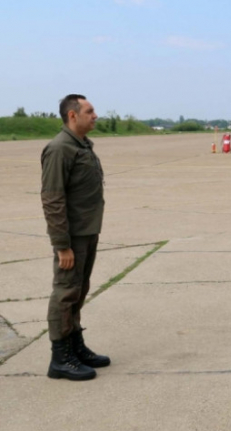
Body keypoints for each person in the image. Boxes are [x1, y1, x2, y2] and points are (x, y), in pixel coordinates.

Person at [41, 94, 110, 381]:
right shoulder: (60, 149)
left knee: (78, 291)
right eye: (89, 111)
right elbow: (52, 199)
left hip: (87, 231)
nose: (95, 115)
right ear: (73, 115)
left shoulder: (81, 145)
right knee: (65, 292)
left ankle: (75, 345)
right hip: (72, 237)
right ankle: (60, 358)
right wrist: (62, 246)